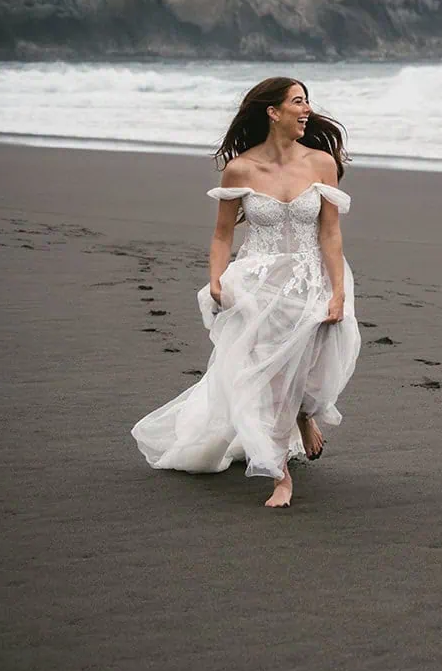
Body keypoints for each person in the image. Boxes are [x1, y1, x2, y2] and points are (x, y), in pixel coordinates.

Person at [132, 77, 360, 508]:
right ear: (273, 112)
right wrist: (216, 279)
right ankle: (280, 475)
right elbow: (221, 236)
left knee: (313, 361)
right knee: (270, 374)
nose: (307, 108)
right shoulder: (241, 170)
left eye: (308, 101)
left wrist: (337, 291)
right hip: (259, 283)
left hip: (313, 276)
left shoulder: (321, 163)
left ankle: (305, 415)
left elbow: (330, 233)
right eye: (298, 101)